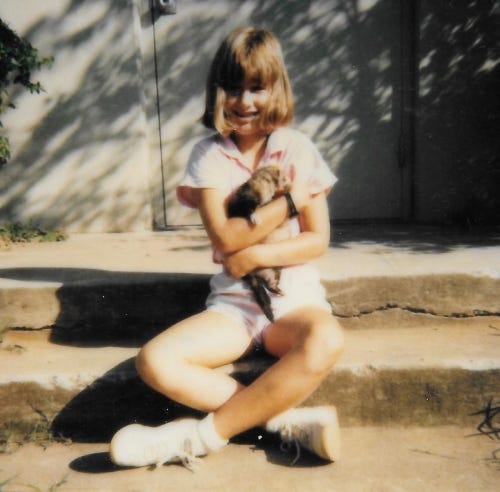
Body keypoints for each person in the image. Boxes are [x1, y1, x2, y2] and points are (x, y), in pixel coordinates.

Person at [110, 27, 344, 469]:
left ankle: (199, 437)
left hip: (293, 302)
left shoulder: (298, 148)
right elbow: (225, 240)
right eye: (233, 88)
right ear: (218, 92)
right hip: (234, 308)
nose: (244, 101)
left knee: (327, 338)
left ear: (277, 87)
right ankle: (282, 419)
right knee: (155, 361)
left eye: (257, 87)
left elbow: (317, 241)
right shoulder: (208, 155)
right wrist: (292, 201)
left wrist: (256, 256)